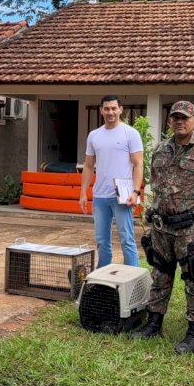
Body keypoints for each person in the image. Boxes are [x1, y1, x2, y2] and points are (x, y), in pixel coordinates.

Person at [132, 100, 194, 354]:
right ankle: (154, 324)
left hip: (190, 229)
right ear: (170, 121)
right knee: (160, 275)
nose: (180, 121)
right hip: (162, 227)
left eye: (185, 117)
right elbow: (156, 184)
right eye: (175, 117)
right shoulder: (161, 149)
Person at [79, 94, 144, 267]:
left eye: (114, 108)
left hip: (122, 196)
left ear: (121, 109)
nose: (110, 112)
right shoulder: (94, 135)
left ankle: (132, 277)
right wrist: (83, 193)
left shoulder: (130, 134)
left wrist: (135, 191)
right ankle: (103, 276)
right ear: (101, 110)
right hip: (100, 196)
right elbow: (88, 165)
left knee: (126, 239)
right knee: (102, 241)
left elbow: (138, 164)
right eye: (107, 108)